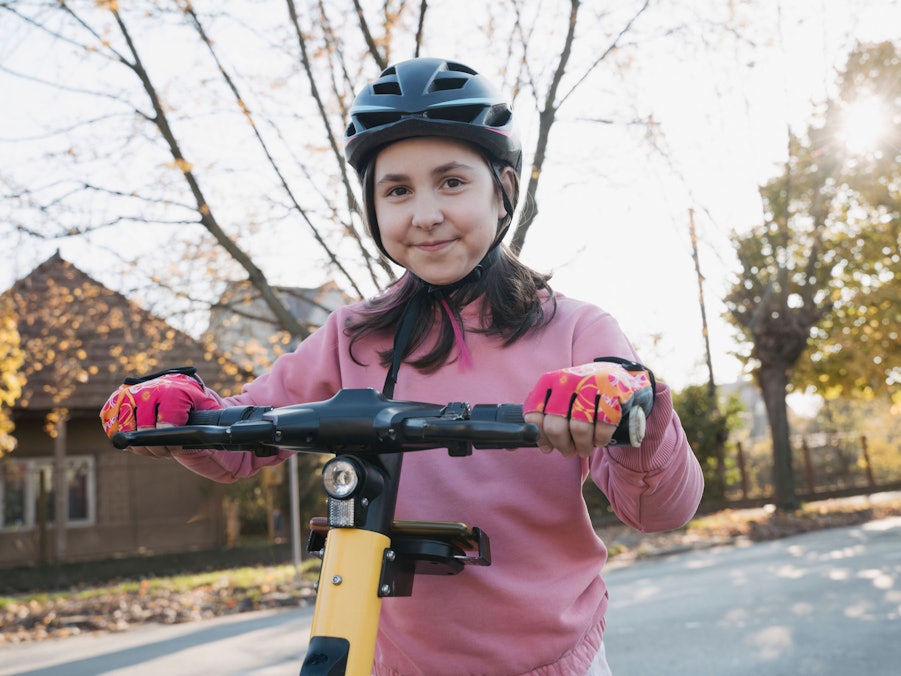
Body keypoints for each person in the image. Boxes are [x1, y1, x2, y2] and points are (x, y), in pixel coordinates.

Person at [101, 57, 704, 675]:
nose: (424, 213)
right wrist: (185, 408)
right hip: (391, 661)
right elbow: (241, 439)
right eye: (397, 190)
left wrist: (634, 405)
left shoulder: (577, 331)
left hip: (550, 660)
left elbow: (659, 510)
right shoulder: (353, 336)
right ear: (373, 208)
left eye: (451, 182)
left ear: (505, 191)